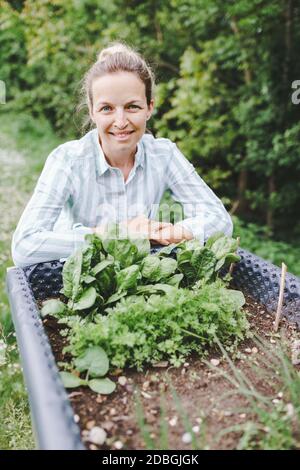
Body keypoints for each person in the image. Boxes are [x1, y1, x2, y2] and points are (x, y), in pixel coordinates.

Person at [11, 43, 233, 268]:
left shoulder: (164, 154)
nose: (120, 121)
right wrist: (115, 234)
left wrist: (173, 232)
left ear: (149, 108)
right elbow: (24, 245)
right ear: (92, 111)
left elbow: (219, 219)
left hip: (137, 275)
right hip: (76, 279)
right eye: (107, 108)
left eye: (132, 107)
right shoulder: (68, 160)